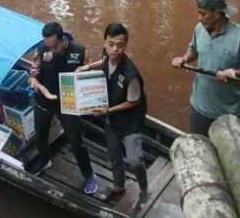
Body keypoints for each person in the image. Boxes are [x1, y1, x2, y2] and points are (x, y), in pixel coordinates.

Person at [79, 23, 150, 208]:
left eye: (120, 45)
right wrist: (86, 69)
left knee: (134, 161)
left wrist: (107, 111)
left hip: (129, 123)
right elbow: (103, 62)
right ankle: (118, 186)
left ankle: (143, 190)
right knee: (114, 155)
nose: (115, 49)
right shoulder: (107, 56)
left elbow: (134, 102)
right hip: (111, 120)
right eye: (111, 44)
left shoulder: (130, 74)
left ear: (125, 45)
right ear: (104, 43)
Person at [171, 0, 240, 136]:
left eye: (202, 13)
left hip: (229, 114)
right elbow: (194, 51)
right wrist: (184, 59)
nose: (199, 18)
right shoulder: (200, 29)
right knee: (199, 150)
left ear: (217, 14)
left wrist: (234, 73)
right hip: (200, 109)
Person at [27, 22, 98, 195]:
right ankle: (44, 160)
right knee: (41, 133)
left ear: (62, 39)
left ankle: (89, 174)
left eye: (54, 46)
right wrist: (38, 86)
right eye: (47, 46)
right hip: (44, 99)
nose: (50, 50)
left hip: (68, 103)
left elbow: (89, 78)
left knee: (75, 140)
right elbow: (33, 76)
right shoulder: (41, 50)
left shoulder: (79, 51)